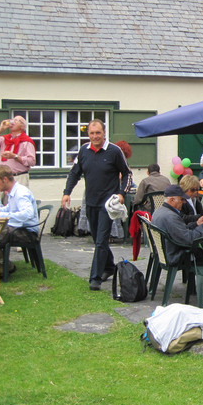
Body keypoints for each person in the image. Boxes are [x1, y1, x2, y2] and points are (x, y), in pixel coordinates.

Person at [62, 119, 130, 291]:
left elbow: (127, 173)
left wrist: (122, 193)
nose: (95, 136)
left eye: (98, 133)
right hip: (91, 202)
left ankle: (95, 278)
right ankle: (108, 267)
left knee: (101, 241)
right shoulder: (84, 151)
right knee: (97, 239)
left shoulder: (114, 151)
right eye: (92, 133)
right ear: (88, 135)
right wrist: (66, 192)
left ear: (104, 133)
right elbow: (74, 173)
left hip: (108, 204)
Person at [152, 184, 203, 269]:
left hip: (165, 252)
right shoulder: (170, 216)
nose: (184, 202)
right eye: (181, 199)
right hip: (174, 255)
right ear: (172, 200)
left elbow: (181, 230)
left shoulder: (159, 211)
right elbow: (189, 240)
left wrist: (197, 224)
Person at [0, 165, 39, 273]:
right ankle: (0, 265)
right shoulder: (13, 192)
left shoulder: (20, 193)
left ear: (5, 179)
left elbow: (28, 214)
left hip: (27, 232)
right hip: (19, 228)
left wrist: (1, 215)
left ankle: (2, 267)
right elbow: (8, 208)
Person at [0, 115, 36, 187]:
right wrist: (1, 129)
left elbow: (32, 161)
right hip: (3, 178)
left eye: (16, 120)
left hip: (19, 177)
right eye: (12, 120)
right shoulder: (5, 139)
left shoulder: (27, 141)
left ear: (22, 126)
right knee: (3, 198)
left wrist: (14, 156)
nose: (13, 122)